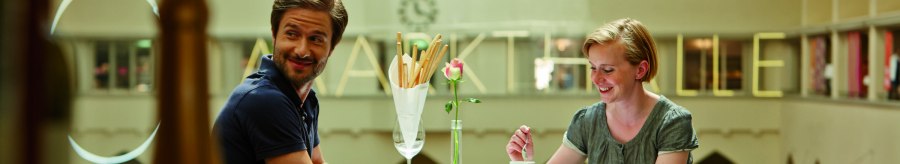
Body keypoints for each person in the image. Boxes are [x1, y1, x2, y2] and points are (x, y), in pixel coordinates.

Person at [506, 18, 699, 163]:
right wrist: (522, 161)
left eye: (607, 70)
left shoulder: (672, 122)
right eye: (593, 67)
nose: (596, 79)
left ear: (640, 70)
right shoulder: (587, 121)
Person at [213, 0, 348, 163]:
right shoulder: (264, 99)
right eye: (292, 34)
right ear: (274, 35)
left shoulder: (306, 99)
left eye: (315, 39)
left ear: (332, 48)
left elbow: (317, 161)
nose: (302, 51)